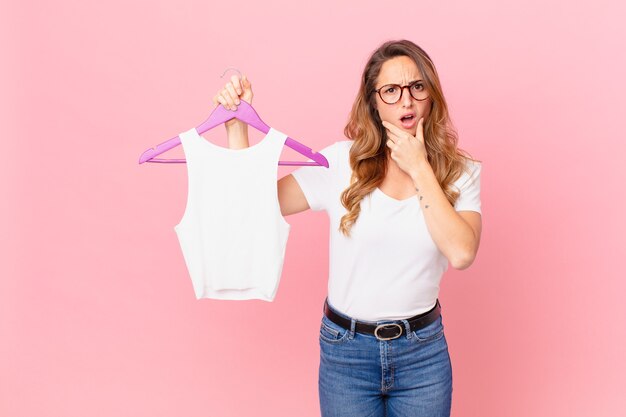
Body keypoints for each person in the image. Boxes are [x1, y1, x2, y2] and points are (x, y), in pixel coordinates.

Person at [212, 39, 482, 417]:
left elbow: (462, 252)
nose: (406, 100)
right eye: (391, 90)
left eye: (417, 87)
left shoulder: (462, 172)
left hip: (423, 355)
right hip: (347, 354)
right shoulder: (340, 163)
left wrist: (419, 166)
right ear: (373, 101)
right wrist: (238, 129)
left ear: (431, 95)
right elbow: (254, 207)